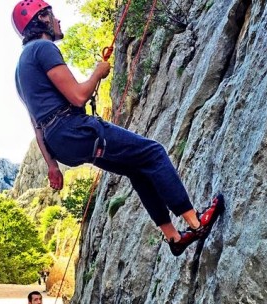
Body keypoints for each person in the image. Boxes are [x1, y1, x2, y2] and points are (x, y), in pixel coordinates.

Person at [12, 0, 224, 256]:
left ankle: (174, 237)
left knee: (138, 169)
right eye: (53, 15)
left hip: (61, 144)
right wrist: (97, 73)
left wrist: (53, 166)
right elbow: (78, 97)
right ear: (43, 18)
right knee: (153, 153)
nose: (59, 21)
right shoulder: (43, 48)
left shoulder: (20, 70)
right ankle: (196, 222)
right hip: (74, 129)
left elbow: (37, 125)